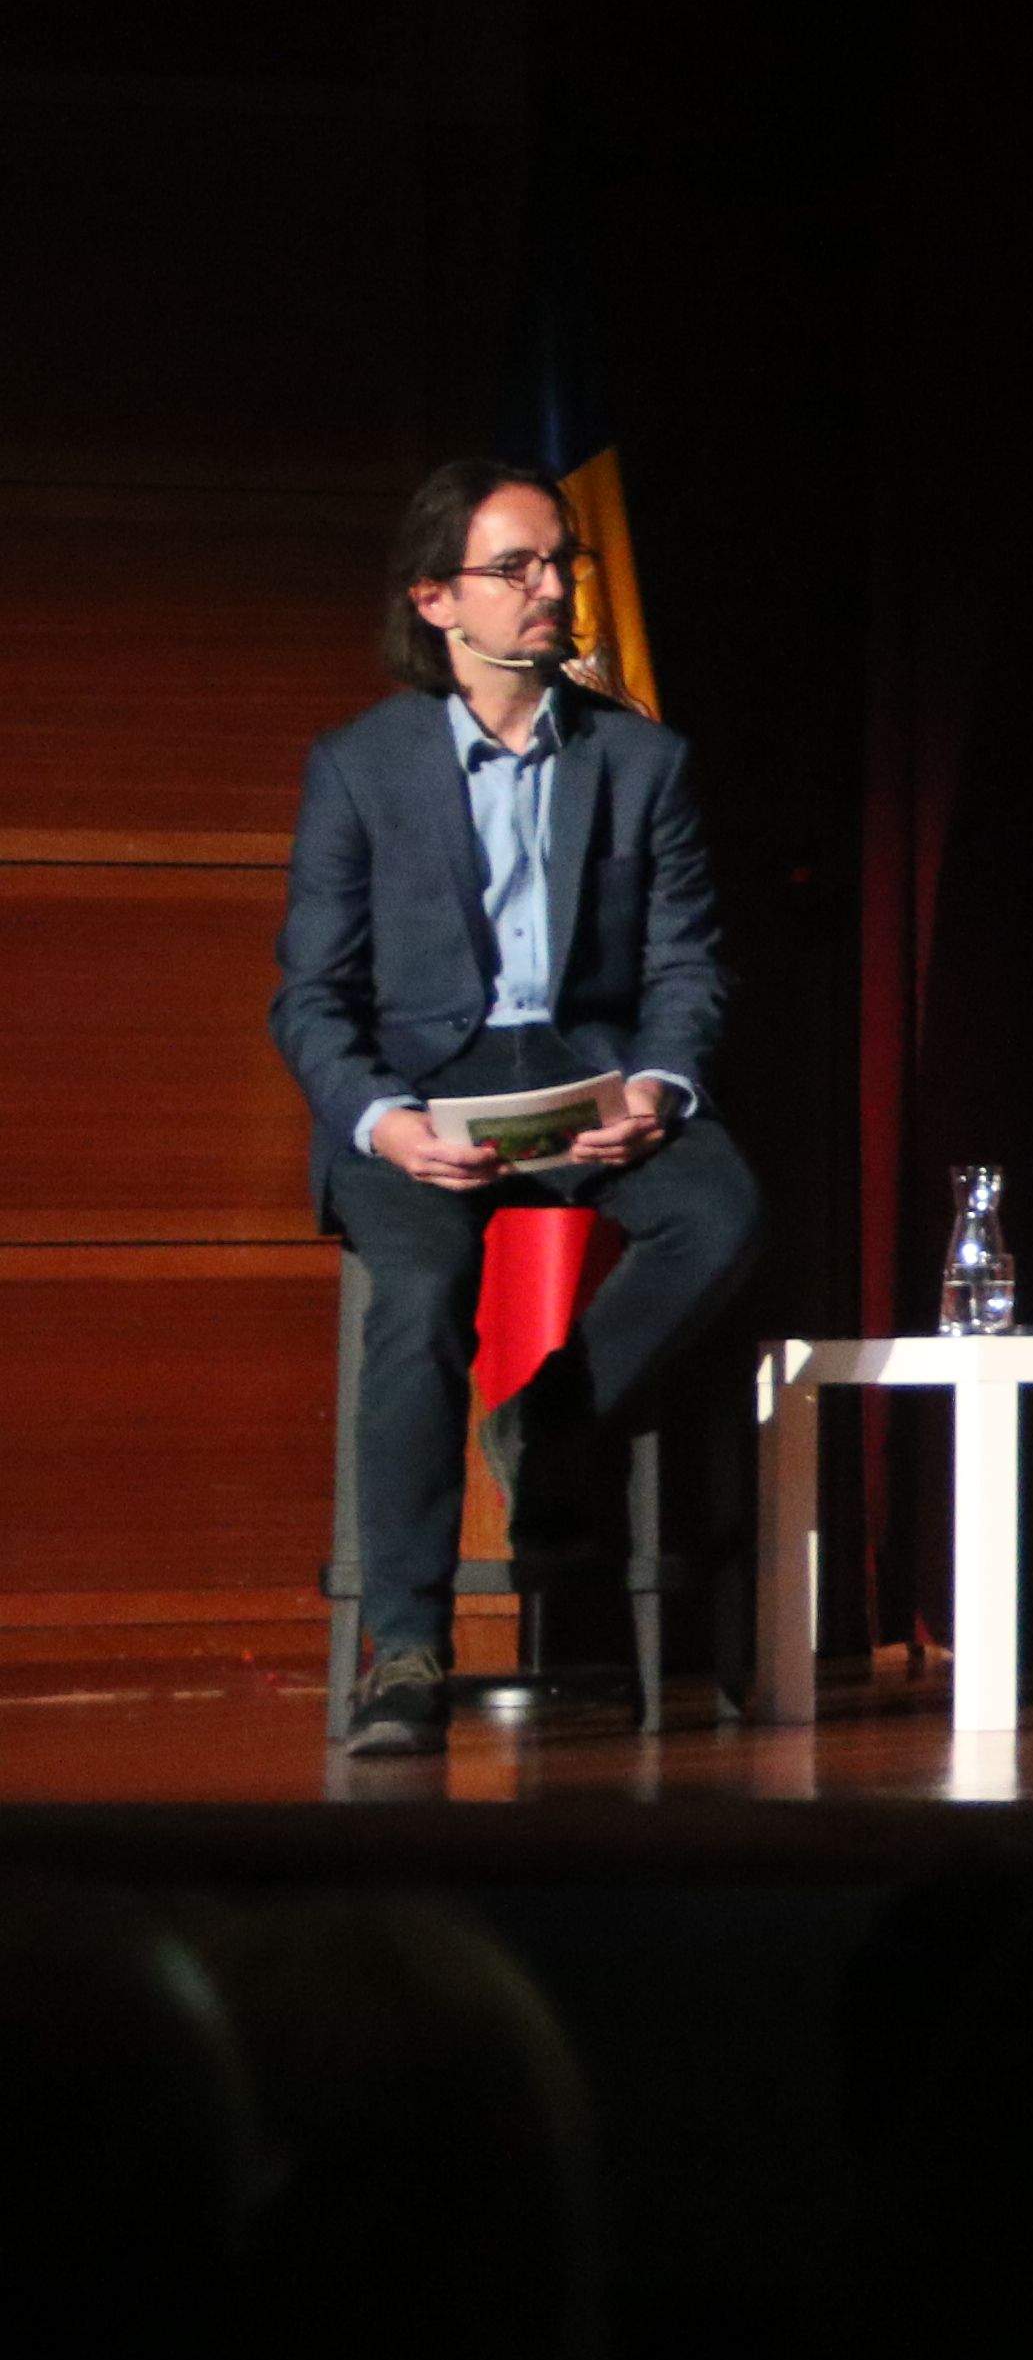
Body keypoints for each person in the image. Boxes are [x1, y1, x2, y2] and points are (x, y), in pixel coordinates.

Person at [269, 460, 762, 1758]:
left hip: (582, 1071)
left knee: (719, 1209)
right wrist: (384, 1122)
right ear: (436, 599)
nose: (551, 590)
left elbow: (686, 966)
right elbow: (312, 1003)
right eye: (516, 569)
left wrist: (655, 1086)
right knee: (422, 1303)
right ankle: (408, 1648)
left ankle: (547, 1426)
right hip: (420, 1095)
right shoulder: (361, 767)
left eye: (562, 565)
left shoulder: (638, 757)